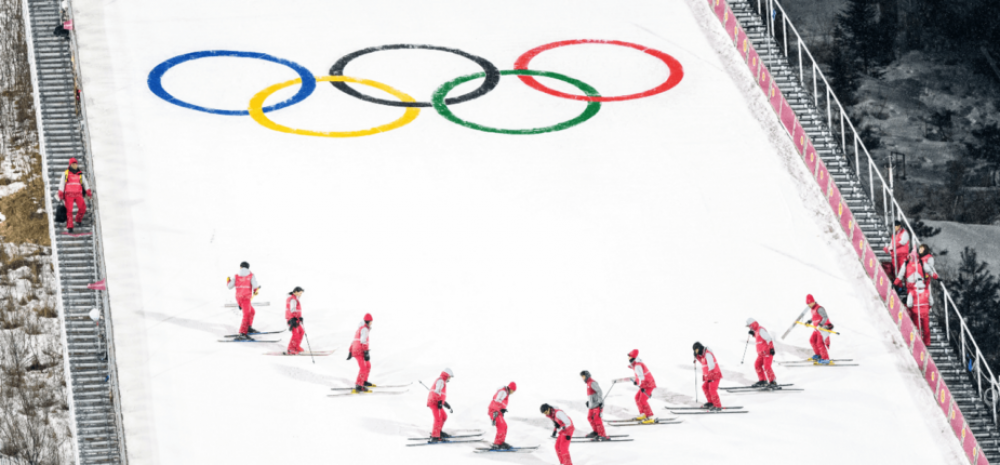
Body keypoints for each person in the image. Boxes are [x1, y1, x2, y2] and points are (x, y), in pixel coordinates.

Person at [226, 262, 260, 340]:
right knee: (247, 315)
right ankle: (242, 333)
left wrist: (228, 281)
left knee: (252, 311)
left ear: (241, 267)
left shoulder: (236, 276)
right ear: (248, 268)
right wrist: (255, 290)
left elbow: (229, 286)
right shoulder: (251, 275)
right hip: (246, 298)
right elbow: (255, 286)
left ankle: (248, 327)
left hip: (238, 298)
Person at [57, 157, 91, 233]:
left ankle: (78, 220)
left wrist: (88, 190)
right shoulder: (66, 173)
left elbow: (85, 183)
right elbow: (62, 183)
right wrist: (60, 192)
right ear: (70, 165)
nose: (74, 165)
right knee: (69, 211)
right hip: (68, 195)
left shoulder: (80, 174)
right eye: (73, 164)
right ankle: (69, 226)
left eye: (75, 164)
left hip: (78, 194)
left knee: (83, 208)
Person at [626, 349, 656, 424]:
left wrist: (640, 384)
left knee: (642, 400)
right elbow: (638, 376)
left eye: (629, 357)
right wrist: (637, 381)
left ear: (633, 357)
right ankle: (643, 414)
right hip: (645, 384)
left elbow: (641, 376)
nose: (628, 359)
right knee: (637, 398)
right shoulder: (636, 364)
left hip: (648, 384)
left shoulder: (638, 365)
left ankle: (650, 417)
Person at [746, 318, 777, 388]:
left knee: (767, 367)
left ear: (753, 324)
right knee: (757, 365)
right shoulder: (757, 331)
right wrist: (753, 334)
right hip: (761, 353)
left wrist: (771, 348)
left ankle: (773, 381)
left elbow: (768, 338)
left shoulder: (761, 330)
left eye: (749, 326)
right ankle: (763, 380)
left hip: (767, 352)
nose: (749, 327)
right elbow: (760, 338)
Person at [347, 314, 373, 393]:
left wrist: (350, 351)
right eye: (371, 322)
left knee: (368, 365)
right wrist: (366, 352)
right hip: (359, 351)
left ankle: (363, 381)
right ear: (367, 321)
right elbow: (363, 341)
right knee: (363, 368)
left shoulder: (359, 329)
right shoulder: (364, 329)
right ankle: (359, 385)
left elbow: (354, 341)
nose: (371, 324)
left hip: (358, 350)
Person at [693, 342, 723, 410]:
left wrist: (710, 375)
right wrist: (697, 356)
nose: (697, 351)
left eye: (697, 350)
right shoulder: (704, 355)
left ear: (700, 348)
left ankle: (717, 405)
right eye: (695, 351)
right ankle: (711, 402)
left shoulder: (708, 354)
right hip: (709, 376)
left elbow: (711, 365)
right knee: (705, 387)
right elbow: (703, 362)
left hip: (714, 375)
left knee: (712, 389)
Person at [488, 382, 516, 450]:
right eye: (513, 390)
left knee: (504, 426)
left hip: (497, 411)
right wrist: (499, 409)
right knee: (501, 426)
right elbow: (497, 401)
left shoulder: (505, 392)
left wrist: (502, 409)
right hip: (494, 411)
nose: (513, 392)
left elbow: (499, 402)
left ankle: (501, 442)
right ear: (510, 388)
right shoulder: (503, 392)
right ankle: (497, 444)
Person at [580, 370, 609, 440]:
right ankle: (596, 432)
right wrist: (589, 403)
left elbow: (599, 391)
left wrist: (599, 401)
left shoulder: (592, 382)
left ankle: (602, 435)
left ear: (587, 376)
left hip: (597, 405)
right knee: (589, 418)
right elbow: (592, 395)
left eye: (583, 376)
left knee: (597, 419)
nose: (582, 378)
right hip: (592, 406)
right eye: (582, 377)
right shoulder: (588, 384)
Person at [427, 368, 454, 442]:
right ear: (447, 375)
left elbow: (440, 394)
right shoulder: (441, 380)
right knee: (438, 419)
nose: (450, 379)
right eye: (449, 377)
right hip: (434, 402)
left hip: (437, 402)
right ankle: (435, 436)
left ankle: (438, 432)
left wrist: (445, 404)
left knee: (444, 417)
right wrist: (439, 402)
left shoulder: (442, 381)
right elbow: (437, 391)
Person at [806, 294, 833, 364]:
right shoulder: (812, 309)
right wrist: (809, 321)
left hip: (824, 327)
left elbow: (825, 317)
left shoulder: (819, 308)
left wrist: (820, 325)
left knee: (819, 343)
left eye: (809, 303)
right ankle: (818, 355)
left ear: (813, 301)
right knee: (812, 340)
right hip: (817, 328)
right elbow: (815, 317)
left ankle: (825, 359)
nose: (808, 305)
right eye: (807, 304)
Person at [906, 279, 933, 346]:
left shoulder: (912, 292)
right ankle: (927, 342)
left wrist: (911, 308)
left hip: (916, 312)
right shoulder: (927, 292)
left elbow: (909, 304)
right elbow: (932, 302)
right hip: (925, 312)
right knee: (926, 328)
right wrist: (927, 307)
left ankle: (919, 342)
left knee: (918, 328)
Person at [284, 287, 305, 355]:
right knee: (295, 334)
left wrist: (299, 317)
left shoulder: (295, 299)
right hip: (292, 319)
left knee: (301, 332)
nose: (300, 295)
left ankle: (296, 346)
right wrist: (294, 318)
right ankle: (291, 349)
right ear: (295, 292)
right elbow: (292, 309)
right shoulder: (292, 299)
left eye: (301, 293)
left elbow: (296, 310)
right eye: (299, 293)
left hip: (296, 318)